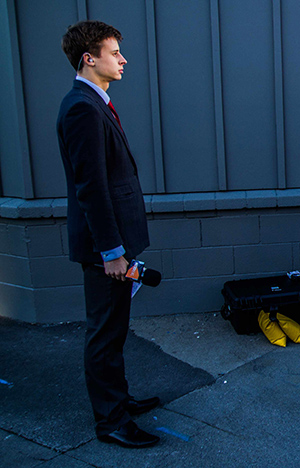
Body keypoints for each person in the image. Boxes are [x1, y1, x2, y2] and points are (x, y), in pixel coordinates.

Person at [57, 20, 160, 448]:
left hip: (115, 241)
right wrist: (112, 252)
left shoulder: (94, 103)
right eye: (114, 53)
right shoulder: (82, 108)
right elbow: (92, 188)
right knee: (103, 334)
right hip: (106, 247)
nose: (123, 60)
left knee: (115, 330)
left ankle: (118, 400)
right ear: (89, 58)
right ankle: (111, 422)